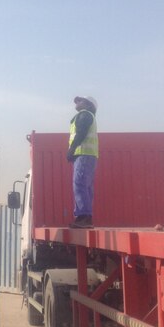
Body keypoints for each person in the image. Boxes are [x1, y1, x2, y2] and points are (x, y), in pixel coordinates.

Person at [67, 95, 98, 228]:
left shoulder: (84, 115)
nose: (77, 102)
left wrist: (72, 149)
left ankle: (83, 216)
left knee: (79, 183)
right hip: (88, 155)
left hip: (83, 154)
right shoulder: (87, 115)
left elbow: (81, 133)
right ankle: (85, 216)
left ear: (88, 105)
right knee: (86, 186)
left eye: (80, 100)